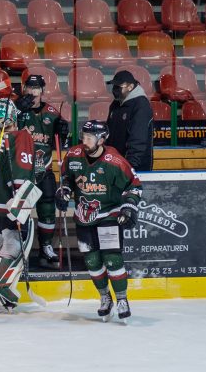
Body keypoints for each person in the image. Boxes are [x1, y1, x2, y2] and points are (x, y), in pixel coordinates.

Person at [56, 120, 142, 322]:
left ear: (102, 140)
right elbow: (66, 178)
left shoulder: (115, 161)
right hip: (84, 217)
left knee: (112, 259)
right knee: (92, 262)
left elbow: (134, 185)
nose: (84, 141)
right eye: (83, 136)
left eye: (89, 137)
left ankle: (122, 299)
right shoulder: (73, 155)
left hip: (109, 215)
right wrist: (64, 190)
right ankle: (105, 298)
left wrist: (129, 206)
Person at [0, 99, 38, 314]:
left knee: (4, 249)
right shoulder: (21, 136)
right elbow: (22, 170)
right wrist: (20, 204)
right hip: (11, 204)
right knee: (15, 250)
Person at [15, 74, 69, 269]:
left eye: (36, 88)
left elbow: (63, 143)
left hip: (44, 168)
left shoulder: (52, 112)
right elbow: (3, 129)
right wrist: (16, 110)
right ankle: (19, 248)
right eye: (29, 88)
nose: (32, 92)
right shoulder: (16, 110)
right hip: (22, 171)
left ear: (42, 91)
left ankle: (45, 246)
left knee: (47, 209)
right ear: (24, 89)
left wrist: (64, 132)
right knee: (20, 211)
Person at [106, 70, 154, 171]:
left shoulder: (141, 105)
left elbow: (138, 139)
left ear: (130, 87)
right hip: (114, 164)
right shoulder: (115, 104)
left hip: (134, 168)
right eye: (114, 86)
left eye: (119, 87)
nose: (115, 90)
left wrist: (130, 167)